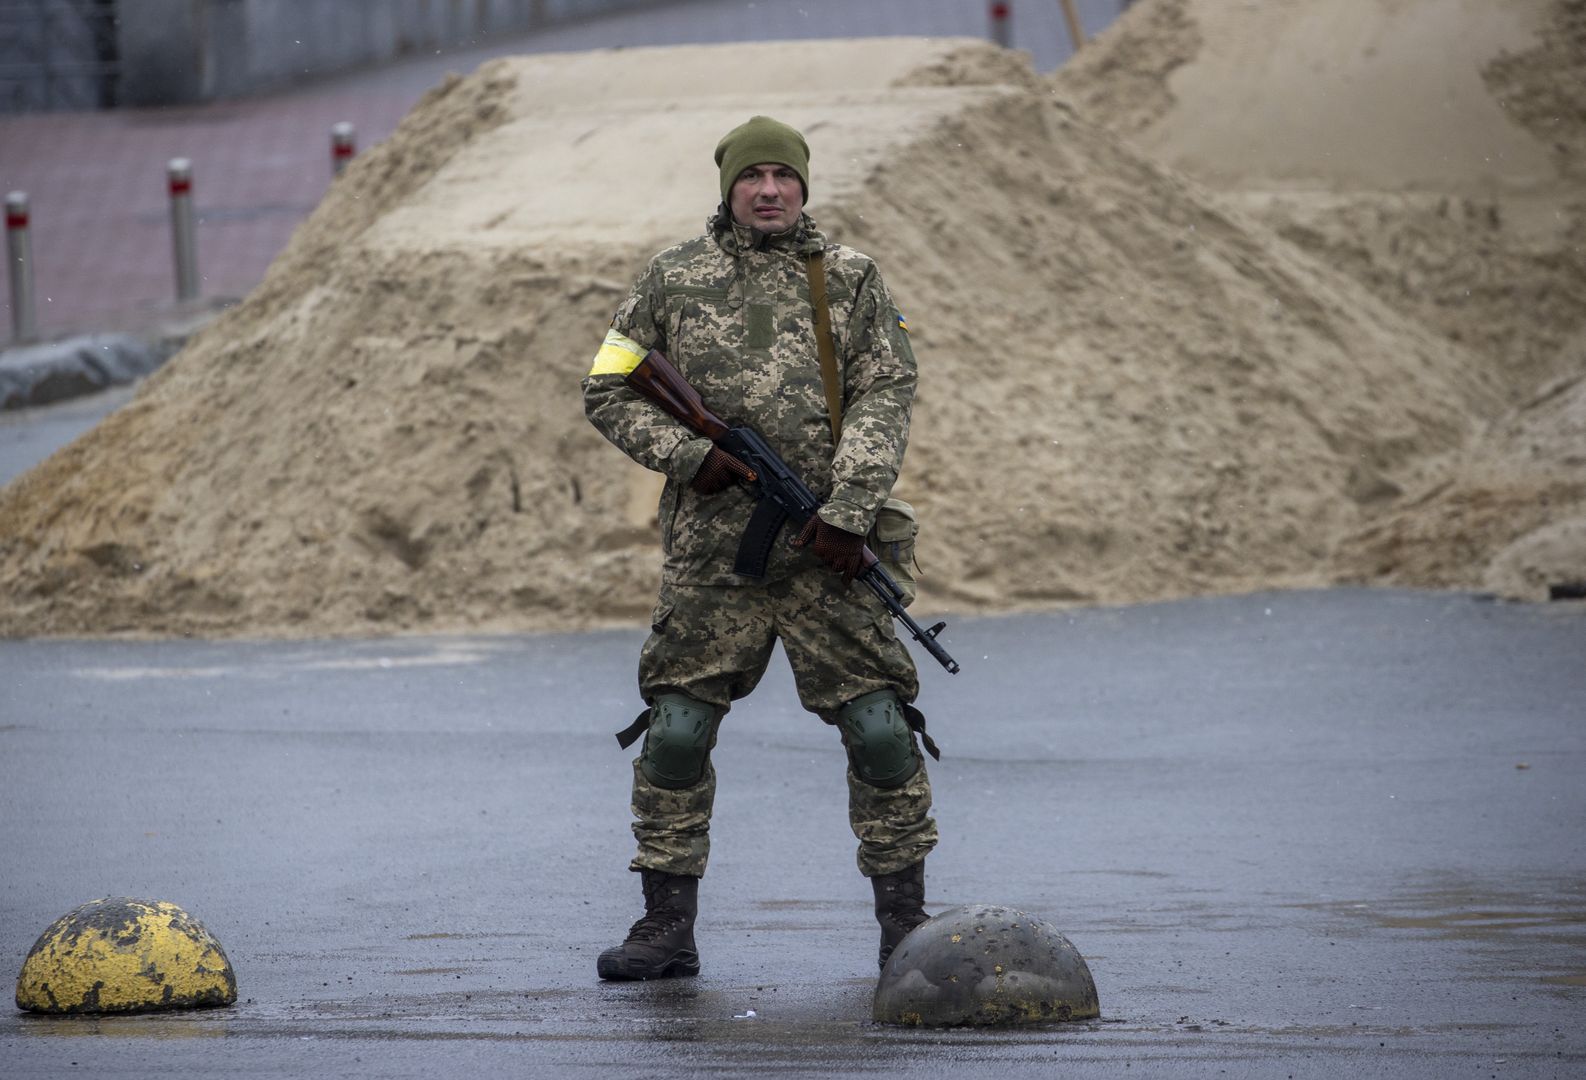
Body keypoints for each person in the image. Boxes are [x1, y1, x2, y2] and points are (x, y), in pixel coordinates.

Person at [581, 115, 939, 981]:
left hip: (828, 551)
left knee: (881, 730)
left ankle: (906, 928)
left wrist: (848, 511)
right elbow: (606, 385)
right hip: (713, 559)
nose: (769, 190)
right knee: (674, 732)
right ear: (728, 187)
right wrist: (691, 453)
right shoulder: (670, 280)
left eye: (784, 175)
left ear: (804, 186)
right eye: (753, 176)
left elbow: (886, 395)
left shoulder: (849, 280)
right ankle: (666, 928)